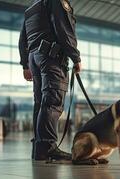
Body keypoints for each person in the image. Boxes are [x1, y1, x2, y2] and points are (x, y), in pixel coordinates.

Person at [18, 0, 82, 160]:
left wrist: (25, 64)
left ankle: (39, 148)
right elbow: (63, 28)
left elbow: (22, 40)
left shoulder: (31, 8)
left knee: (41, 103)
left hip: (35, 57)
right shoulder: (56, 2)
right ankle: (47, 147)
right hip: (51, 57)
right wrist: (75, 57)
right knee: (53, 101)